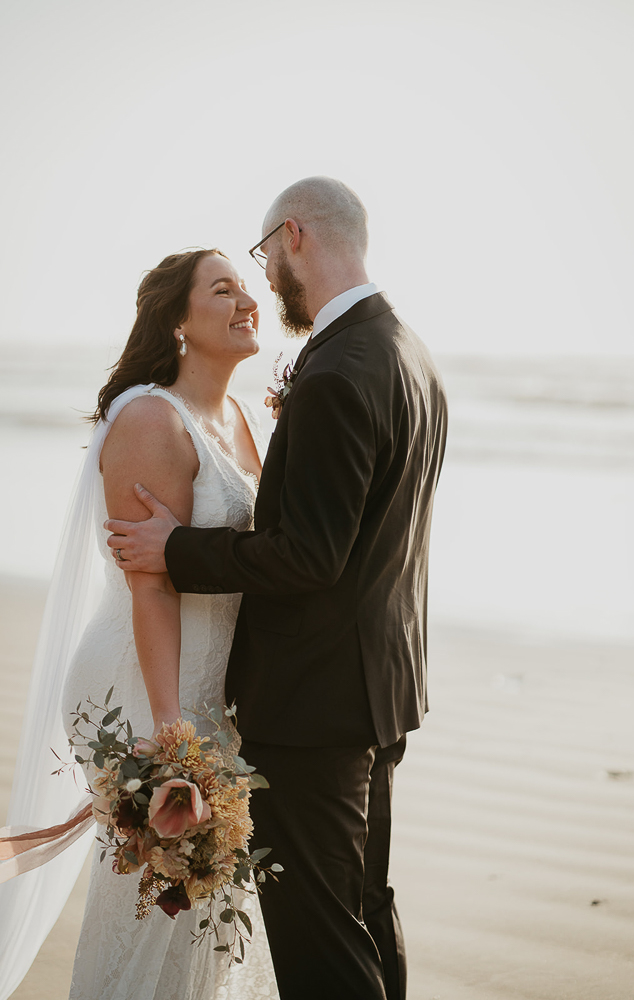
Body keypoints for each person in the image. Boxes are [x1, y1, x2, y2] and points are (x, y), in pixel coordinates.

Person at [106, 176, 449, 1000]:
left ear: (293, 236)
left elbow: (310, 556)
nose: (264, 284)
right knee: (361, 909)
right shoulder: (405, 352)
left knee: (323, 941)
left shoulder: (336, 371)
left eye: (261, 259)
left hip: (313, 707)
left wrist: (178, 549)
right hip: (377, 692)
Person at [0, 249, 279, 1000]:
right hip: (142, 684)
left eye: (249, 288)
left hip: (205, 683)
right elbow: (150, 584)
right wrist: (170, 735)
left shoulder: (239, 416)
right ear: (178, 322)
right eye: (224, 289)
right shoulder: (152, 416)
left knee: (204, 906)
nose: (248, 300)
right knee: (157, 900)